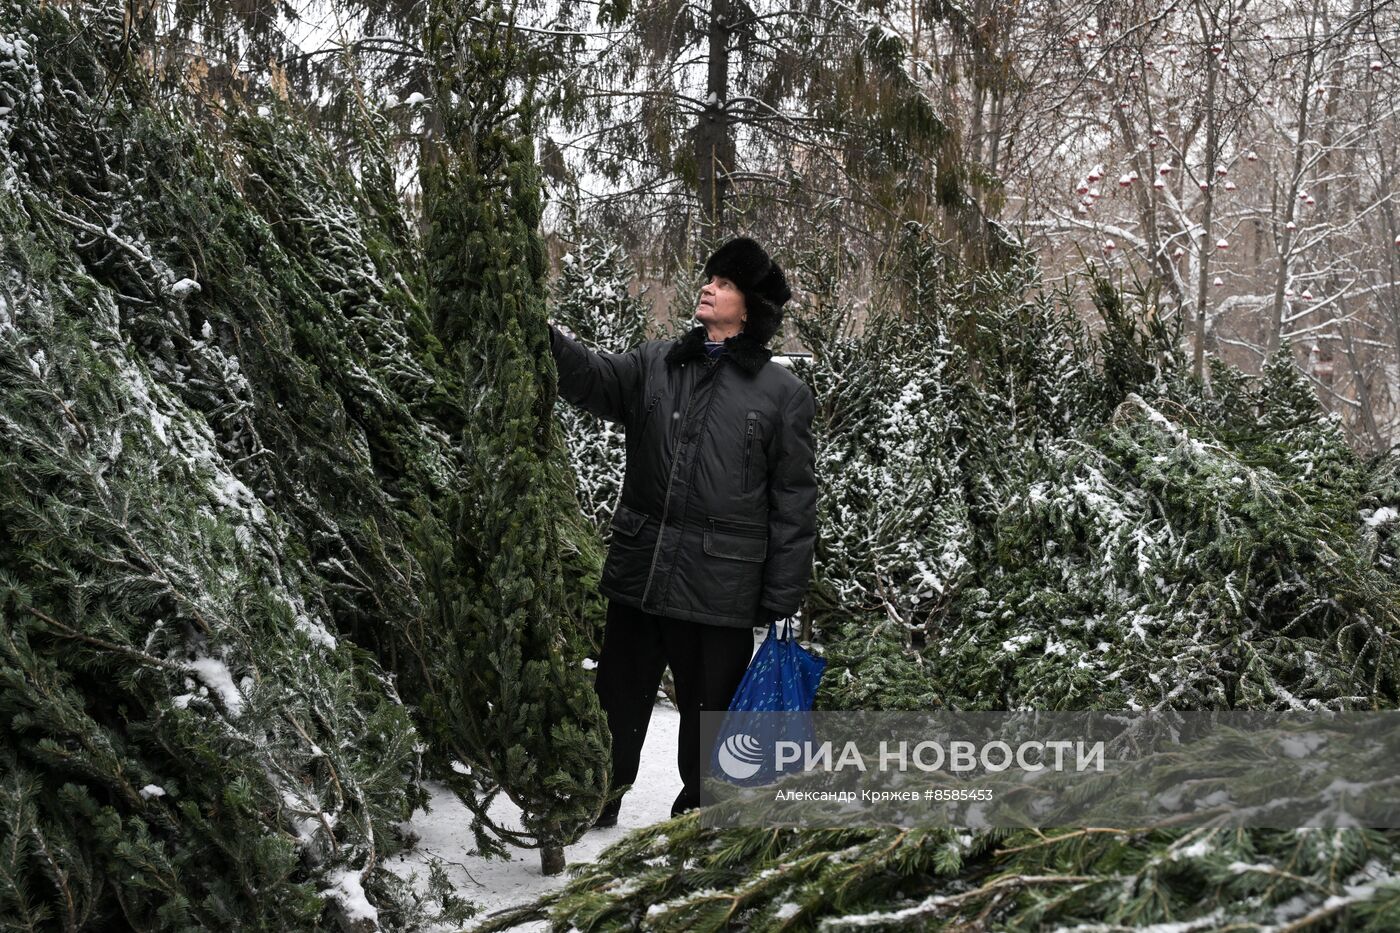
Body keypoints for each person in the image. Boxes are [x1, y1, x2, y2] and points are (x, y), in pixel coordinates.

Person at [547, 235, 818, 825]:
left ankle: (700, 816)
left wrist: (781, 598)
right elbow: (592, 380)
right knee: (616, 699)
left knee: (708, 714)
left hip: (720, 585)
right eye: (709, 278)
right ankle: (596, 802)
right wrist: (546, 338)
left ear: (749, 308)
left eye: (723, 283)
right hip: (642, 569)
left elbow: (794, 502)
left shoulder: (781, 395)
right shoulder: (655, 364)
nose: (708, 286)